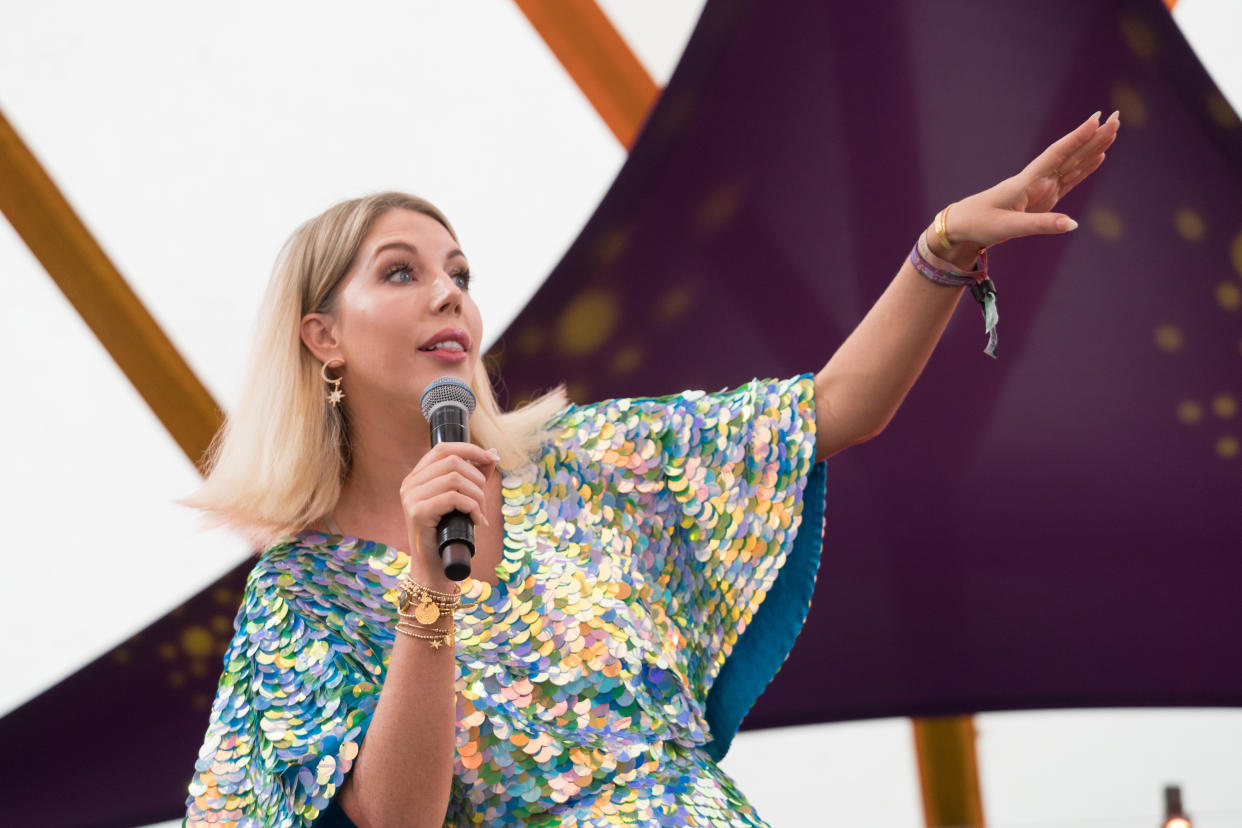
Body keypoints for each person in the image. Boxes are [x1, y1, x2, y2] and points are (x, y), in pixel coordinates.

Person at [182, 110, 1120, 827]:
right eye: (400, 272)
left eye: (460, 274)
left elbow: (830, 408)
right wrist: (430, 584)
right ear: (323, 339)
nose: (448, 295)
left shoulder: (584, 465)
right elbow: (397, 817)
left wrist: (942, 249)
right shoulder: (302, 595)